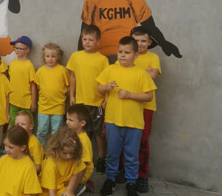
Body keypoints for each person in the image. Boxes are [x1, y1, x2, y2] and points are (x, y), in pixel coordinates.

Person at [97, 36, 156, 196]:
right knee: (112, 153)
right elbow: (99, 88)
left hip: (134, 123)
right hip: (112, 121)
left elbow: (148, 96)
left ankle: (131, 182)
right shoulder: (110, 70)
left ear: (136, 55)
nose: (122, 55)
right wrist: (105, 87)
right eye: (120, 51)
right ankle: (110, 179)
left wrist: (130, 95)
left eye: (127, 52)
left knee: (131, 154)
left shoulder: (141, 74)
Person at [66, 24, 109, 173]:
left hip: (97, 103)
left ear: (98, 42)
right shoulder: (76, 56)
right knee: (79, 132)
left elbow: (106, 82)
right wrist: (72, 95)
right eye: (84, 39)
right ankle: (79, 156)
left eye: (91, 39)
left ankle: (101, 159)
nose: (87, 42)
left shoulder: (103, 60)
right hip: (80, 102)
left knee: (98, 133)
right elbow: (73, 76)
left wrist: (105, 100)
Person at [130, 26, 161, 193]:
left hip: (146, 106)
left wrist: (131, 74)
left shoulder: (153, 57)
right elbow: (117, 74)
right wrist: (143, 73)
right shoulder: (126, 55)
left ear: (149, 42)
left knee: (142, 142)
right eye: (136, 41)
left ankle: (141, 175)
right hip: (126, 105)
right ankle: (125, 172)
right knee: (124, 140)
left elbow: (153, 74)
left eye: (143, 41)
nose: (140, 44)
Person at [35, 43, 70, 145]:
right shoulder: (40, 72)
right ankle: (40, 153)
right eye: (47, 56)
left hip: (58, 107)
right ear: (44, 57)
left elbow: (69, 86)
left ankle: (54, 152)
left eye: (53, 56)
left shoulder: (62, 70)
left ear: (58, 57)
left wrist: (63, 96)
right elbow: (38, 87)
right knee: (41, 131)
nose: (50, 59)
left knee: (57, 132)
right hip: (43, 107)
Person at [0, 126, 42, 195]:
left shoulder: (29, 167)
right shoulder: (4, 159)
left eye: (11, 147)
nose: (6, 149)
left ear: (23, 147)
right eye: (5, 145)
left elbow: (28, 193)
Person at [40, 128, 85, 196]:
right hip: (49, 191)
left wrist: (69, 190)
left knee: (82, 167)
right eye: (65, 153)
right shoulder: (51, 163)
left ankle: (74, 189)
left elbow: (75, 174)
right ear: (56, 149)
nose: (69, 156)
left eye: (72, 153)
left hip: (62, 187)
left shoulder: (74, 158)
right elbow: (51, 190)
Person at [8, 36, 37, 126]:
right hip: (13, 100)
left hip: (26, 102)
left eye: (20, 48)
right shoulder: (12, 64)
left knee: (27, 124)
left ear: (27, 50)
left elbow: (33, 85)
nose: (17, 50)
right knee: (12, 123)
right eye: (15, 48)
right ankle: (9, 139)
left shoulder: (29, 66)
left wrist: (33, 102)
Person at [66, 104, 94, 195]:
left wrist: (76, 182)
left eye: (71, 120)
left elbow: (83, 166)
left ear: (82, 123)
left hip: (81, 172)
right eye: (67, 119)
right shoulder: (72, 132)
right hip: (73, 164)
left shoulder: (84, 141)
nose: (67, 122)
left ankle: (78, 187)